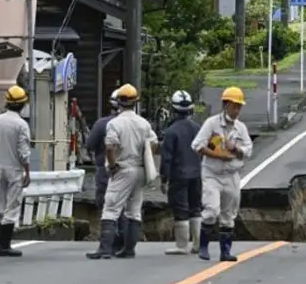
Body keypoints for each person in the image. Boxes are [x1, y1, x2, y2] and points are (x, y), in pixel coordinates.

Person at [87, 83, 159, 260]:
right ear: (135, 103)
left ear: (118, 102)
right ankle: (128, 249)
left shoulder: (115, 123)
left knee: (110, 208)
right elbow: (154, 143)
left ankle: (105, 249)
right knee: (134, 211)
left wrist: (112, 166)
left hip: (123, 168)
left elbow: (110, 147)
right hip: (140, 169)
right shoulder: (143, 123)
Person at [191, 86, 253, 262]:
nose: (237, 110)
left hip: (232, 175)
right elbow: (197, 145)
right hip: (212, 173)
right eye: (234, 106)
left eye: (239, 106)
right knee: (211, 210)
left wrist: (236, 149)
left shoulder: (241, 128)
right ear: (226, 105)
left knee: (229, 214)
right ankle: (203, 246)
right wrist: (218, 155)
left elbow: (248, 150)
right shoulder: (211, 124)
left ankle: (225, 251)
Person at [160, 90, 203, 255]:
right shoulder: (198, 128)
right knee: (196, 207)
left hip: (179, 175)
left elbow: (166, 159)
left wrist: (164, 179)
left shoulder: (171, 132)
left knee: (181, 209)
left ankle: (182, 244)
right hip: (197, 173)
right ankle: (199, 243)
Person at [85, 89, 127, 252]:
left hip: (106, 171)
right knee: (125, 207)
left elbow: (90, 145)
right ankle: (125, 244)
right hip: (129, 172)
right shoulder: (138, 123)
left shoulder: (102, 124)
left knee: (107, 206)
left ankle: (107, 245)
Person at [0, 85, 31, 257]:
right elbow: (23, 151)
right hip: (14, 169)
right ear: (23, 104)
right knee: (12, 206)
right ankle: (4, 245)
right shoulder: (21, 124)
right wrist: (27, 172)